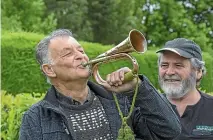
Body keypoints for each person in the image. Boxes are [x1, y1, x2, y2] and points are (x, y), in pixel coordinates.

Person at [19, 29, 181, 140]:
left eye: (81, 51)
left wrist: (138, 88)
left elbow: (170, 131)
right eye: (68, 53)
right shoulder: (35, 118)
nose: (81, 56)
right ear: (49, 70)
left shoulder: (121, 100)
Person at [156, 38, 213, 140]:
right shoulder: (148, 107)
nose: (169, 72)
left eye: (178, 65)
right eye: (164, 65)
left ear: (198, 72)